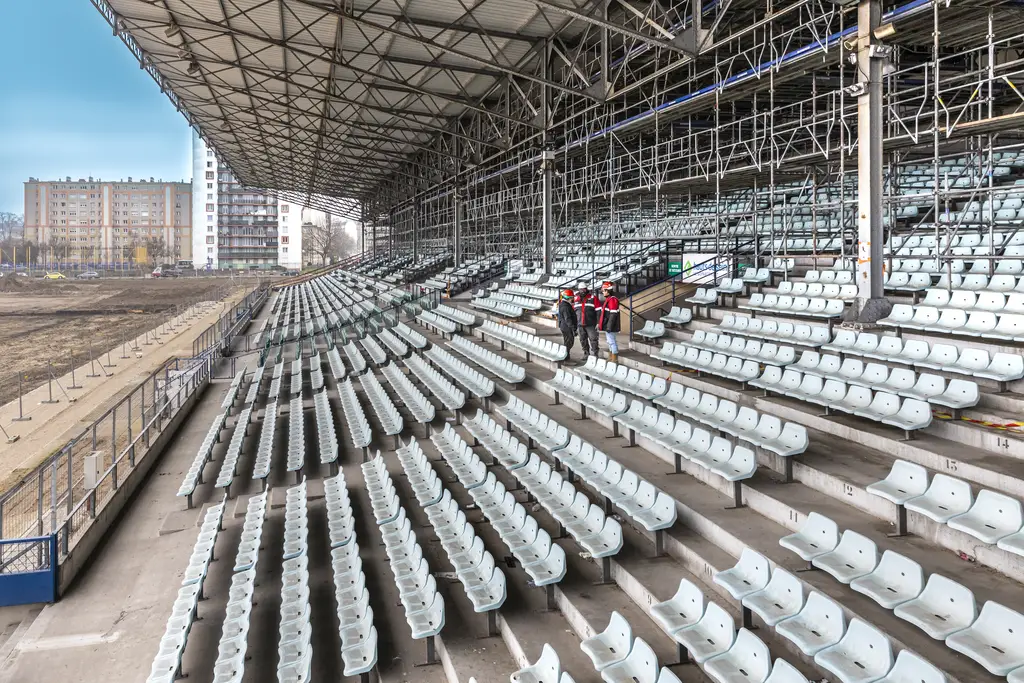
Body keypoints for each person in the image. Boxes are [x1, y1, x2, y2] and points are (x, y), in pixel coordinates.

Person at [574, 281, 599, 358]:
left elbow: (599, 311)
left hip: (591, 324)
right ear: (579, 290)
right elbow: (573, 312)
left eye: (584, 289)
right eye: (581, 289)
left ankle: (595, 354)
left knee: (593, 339)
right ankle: (586, 353)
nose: (582, 291)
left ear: (586, 289)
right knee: (582, 340)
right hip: (580, 324)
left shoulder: (593, 298)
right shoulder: (575, 299)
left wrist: (598, 323)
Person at [598, 281, 620, 362]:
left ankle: (614, 359)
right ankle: (611, 357)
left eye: (604, 290)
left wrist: (609, 326)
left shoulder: (612, 300)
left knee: (612, 341)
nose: (603, 292)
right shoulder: (609, 299)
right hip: (609, 325)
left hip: (611, 326)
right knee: (610, 341)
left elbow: (613, 314)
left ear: (608, 291)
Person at [557, 288, 578, 362]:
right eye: (572, 297)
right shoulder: (566, 306)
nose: (573, 299)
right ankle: (565, 357)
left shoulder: (563, 304)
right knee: (569, 343)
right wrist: (573, 328)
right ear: (569, 298)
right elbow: (568, 318)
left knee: (567, 342)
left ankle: (566, 356)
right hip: (567, 327)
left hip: (564, 326)